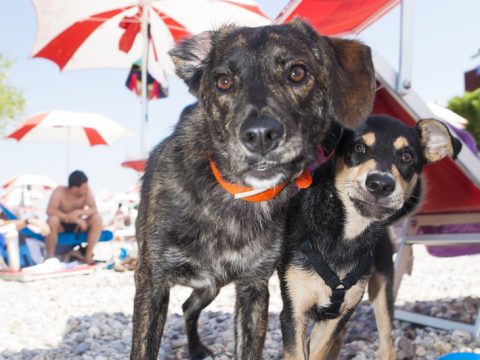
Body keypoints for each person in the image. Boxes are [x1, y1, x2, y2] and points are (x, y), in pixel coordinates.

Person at [45, 170, 102, 264]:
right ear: (75, 188)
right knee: (52, 220)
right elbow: (50, 210)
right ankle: (50, 258)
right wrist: (68, 217)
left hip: (78, 227)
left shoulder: (86, 191)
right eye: (83, 187)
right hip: (61, 225)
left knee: (97, 218)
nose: (86, 189)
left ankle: (88, 257)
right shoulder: (60, 191)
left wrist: (78, 212)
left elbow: (94, 209)